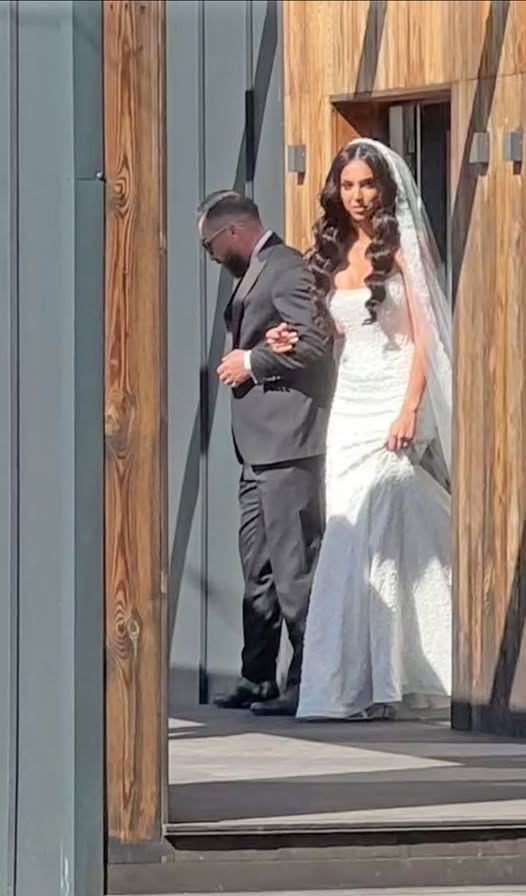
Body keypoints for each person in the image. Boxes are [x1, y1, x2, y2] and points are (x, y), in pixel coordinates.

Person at [265, 139, 452, 720]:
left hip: (396, 393)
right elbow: (334, 333)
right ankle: (348, 681)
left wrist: (410, 407)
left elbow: (427, 336)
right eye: (347, 186)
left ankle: (403, 673)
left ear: (384, 187)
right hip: (350, 403)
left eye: (367, 184)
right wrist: (285, 338)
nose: (358, 196)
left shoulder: (404, 248)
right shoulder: (330, 252)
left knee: (388, 515)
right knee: (347, 532)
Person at [197, 190, 334, 716]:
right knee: (258, 568)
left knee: (295, 569)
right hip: (256, 447)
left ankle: (307, 679)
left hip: (287, 442)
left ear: (233, 232)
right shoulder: (257, 271)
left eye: (210, 245)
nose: (211, 256)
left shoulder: (285, 268)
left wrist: (252, 362)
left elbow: (314, 343)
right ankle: (257, 677)